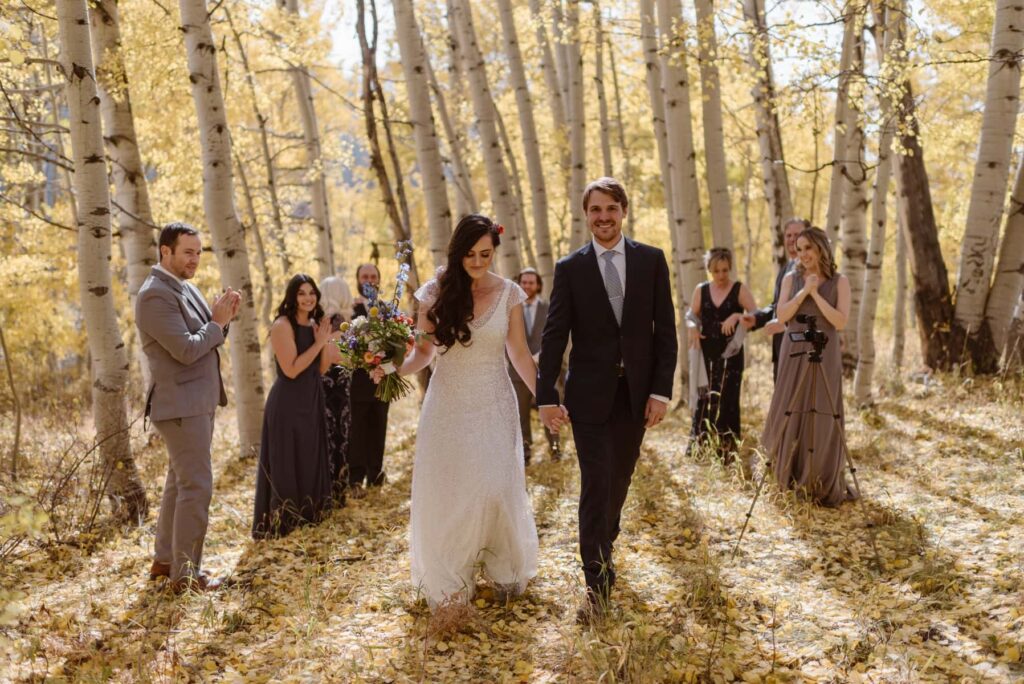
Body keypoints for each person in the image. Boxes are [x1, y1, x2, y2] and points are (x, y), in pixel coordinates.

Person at [377, 214, 539, 609]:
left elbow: (518, 353)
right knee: (451, 492)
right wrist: (389, 367)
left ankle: (502, 567)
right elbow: (424, 353)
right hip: (447, 405)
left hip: (495, 403)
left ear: (495, 252)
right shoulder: (433, 293)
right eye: (470, 254)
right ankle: (451, 578)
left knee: (495, 486)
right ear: (457, 253)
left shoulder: (510, 294)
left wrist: (546, 399)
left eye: (486, 254)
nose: (478, 261)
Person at [538, 177, 677, 623]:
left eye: (610, 208)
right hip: (589, 397)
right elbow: (555, 334)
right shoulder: (570, 268)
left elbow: (666, 334)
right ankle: (597, 584)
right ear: (586, 215)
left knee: (619, 481)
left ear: (623, 211)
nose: (603, 217)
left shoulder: (651, 261)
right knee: (596, 485)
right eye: (595, 209)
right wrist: (545, 396)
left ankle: (604, 541)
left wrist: (659, 391)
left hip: (635, 397)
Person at [136, 222, 240, 592]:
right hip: (179, 405)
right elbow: (186, 349)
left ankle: (165, 561)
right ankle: (186, 575)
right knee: (196, 487)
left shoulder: (186, 287)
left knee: (178, 486)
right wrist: (217, 322)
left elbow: (208, 337)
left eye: (198, 252)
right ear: (166, 251)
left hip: (197, 402)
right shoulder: (154, 295)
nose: (195, 259)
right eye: (188, 252)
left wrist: (223, 318)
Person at [762, 227, 856, 507]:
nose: (802, 254)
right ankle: (787, 476)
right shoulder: (792, 278)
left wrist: (816, 295)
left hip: (825, 352)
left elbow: (839, 322)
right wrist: (805, 291)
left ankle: (819, 478)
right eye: (799, 249)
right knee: (790, 407)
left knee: (822, 409)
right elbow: (783, 314)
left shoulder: (840, 281)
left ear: (821, 250)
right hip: (794, 350)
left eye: (808, 249)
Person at [252, 274, 339, 538]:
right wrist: (320, 342)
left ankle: (309, 516)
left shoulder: (316, 324)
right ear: (292, 296)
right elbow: (291, 370)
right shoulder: (282, 325)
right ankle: (285, 521)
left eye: (311, 292)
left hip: (311, 398)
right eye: (301, 293)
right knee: (287, 460)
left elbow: (321, 369)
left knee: (309, 455)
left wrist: (322, 342)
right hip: (287, 402)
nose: (308, 298)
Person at [688, 247, 757, 459]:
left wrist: (737, 316)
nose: (721, 276)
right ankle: (700, 448)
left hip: (731, 353)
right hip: (706, 352)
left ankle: (726, 451)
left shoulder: (739, 289)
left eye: (725, 270)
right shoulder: (701, 289)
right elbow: (691, 315)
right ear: (709, 269)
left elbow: (756, 316)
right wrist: (691, 325)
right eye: (716, 271)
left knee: (728, 398)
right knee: (705, 398)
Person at [745, 218, 809, 380]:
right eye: (788, 235)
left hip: (802, 350)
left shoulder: (812, 271)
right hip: (781, 349)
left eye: (797, 234)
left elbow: (810, 307)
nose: (792, 239)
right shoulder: (785, 269)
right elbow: (776, 306)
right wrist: (756, 319)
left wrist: (786, 325)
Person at [509, 267, 560, 464]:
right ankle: (525, 450)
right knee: (521, 414)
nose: (527, 286)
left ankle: (555, 447)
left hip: (545, 370)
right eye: (524, 282)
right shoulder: (511, 308)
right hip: (516, 373)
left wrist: (541, 357)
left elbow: (556, 337)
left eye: (531, 282)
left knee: (550, 409)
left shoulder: (549, 308)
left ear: (538, 284)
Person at [348, 263, 390, 497]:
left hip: (383, 380)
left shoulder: (386, 310)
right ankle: (355, 479)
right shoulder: (350, 310)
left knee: (379, 426)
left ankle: (375, 474)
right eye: (365, 276)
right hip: (358, 381)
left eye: (373, 276)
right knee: (358, 429)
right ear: (357, 279)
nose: (369, 280)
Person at [319, 275, 354, 503]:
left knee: (331, 436)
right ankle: (337, 491)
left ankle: (332, 489)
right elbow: (340, 355)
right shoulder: (338, 322)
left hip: (329, 383)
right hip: (338, 383)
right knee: (339, 436)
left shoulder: (323, 321)